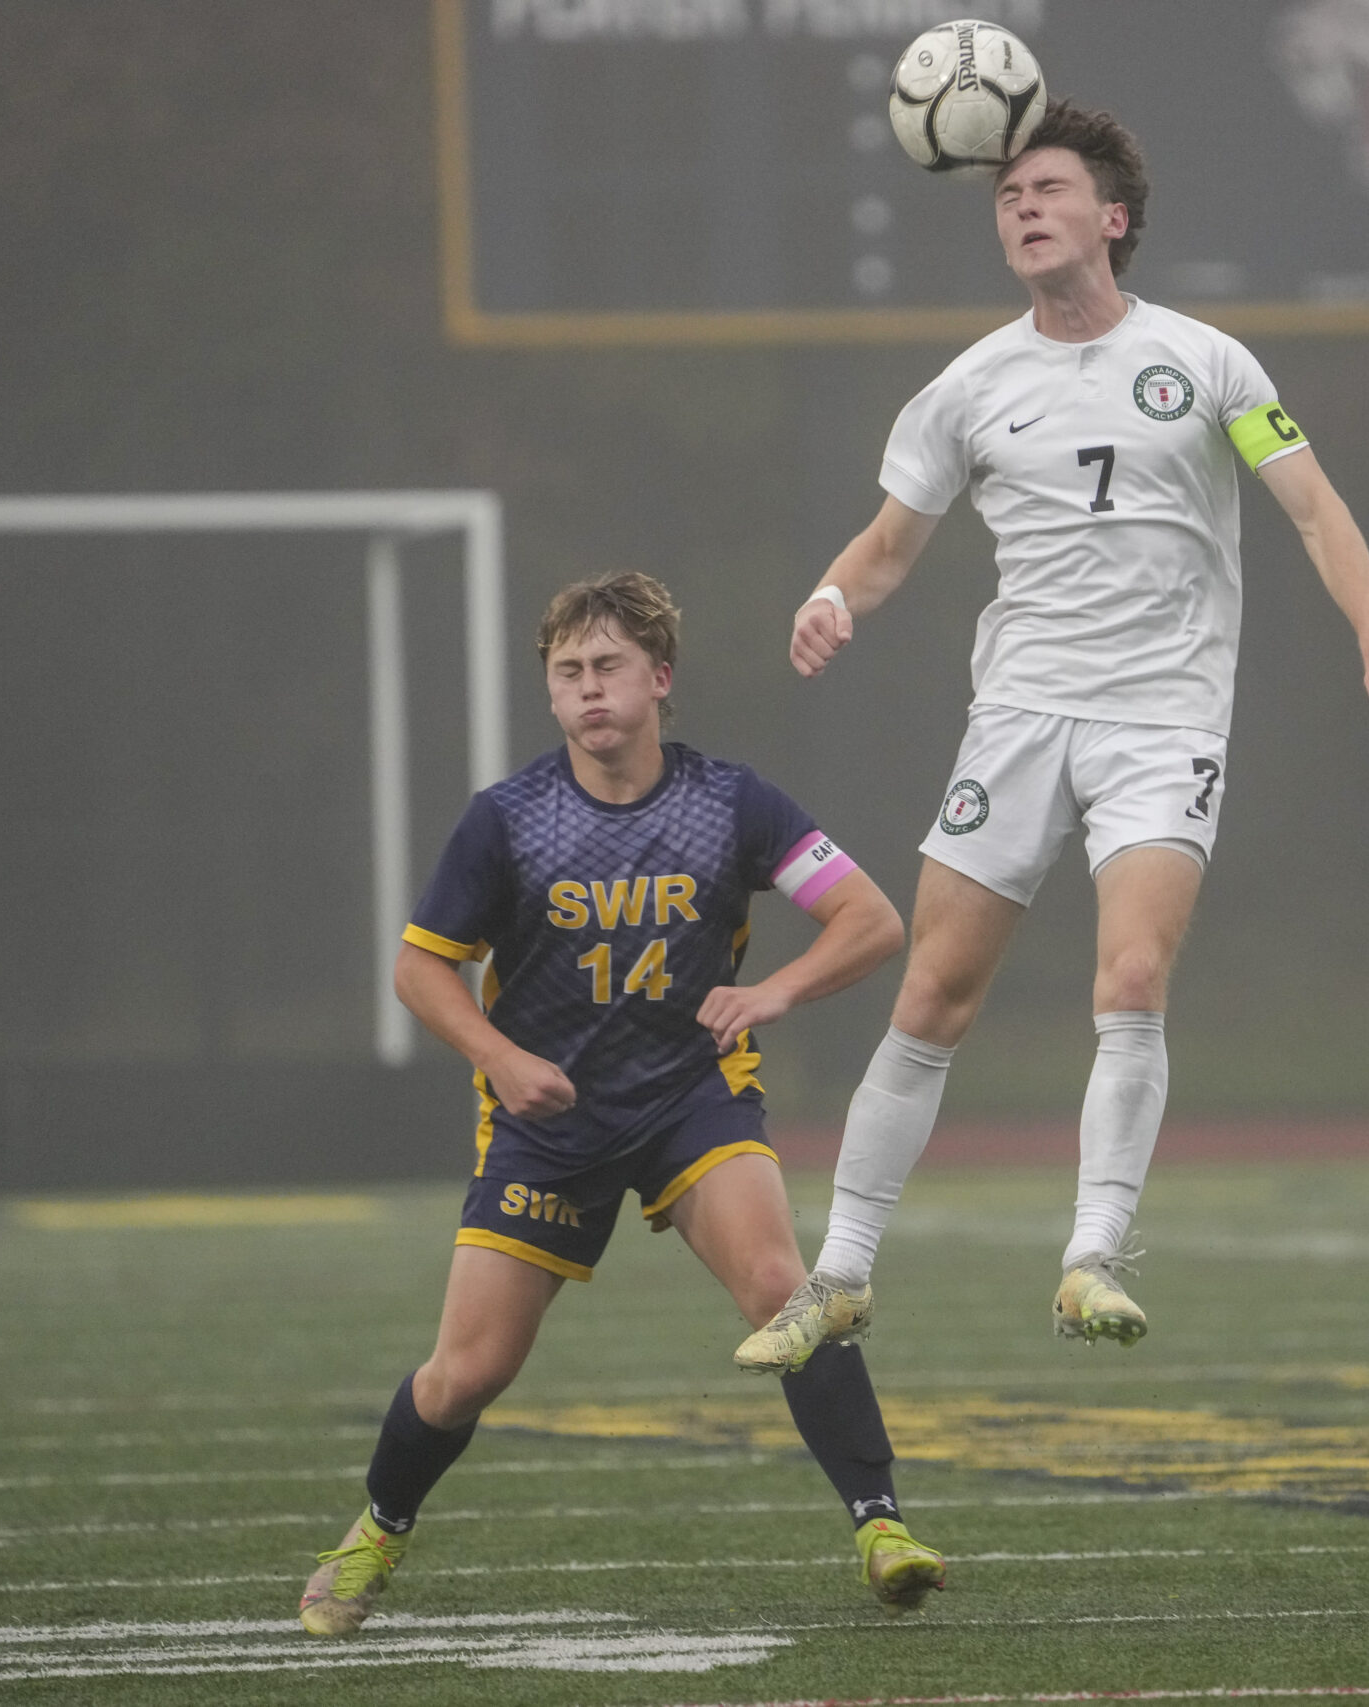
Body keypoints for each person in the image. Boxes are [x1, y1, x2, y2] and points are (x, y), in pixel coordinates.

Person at [734, 101, 1369, 1375]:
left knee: (1129, 981)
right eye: (1005, 193)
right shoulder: (967, 388)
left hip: (1161, 720)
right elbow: (890, 544)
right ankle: (839, 1274)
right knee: (931, 997)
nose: (1020, 207)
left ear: (1112, 218)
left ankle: (1090, 1260)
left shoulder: (1212, 365)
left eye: (1047, 188)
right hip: (1016, 719)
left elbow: (1311, 507)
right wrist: (830, 594)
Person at [299, 572, 945, 1636]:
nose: (589, 690)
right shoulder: (506, 821)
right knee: (466, 1374)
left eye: (607, 668)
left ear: (659, 678)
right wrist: (501, 1059)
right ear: (549, 697)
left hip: (692, 1096)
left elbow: (871, 921)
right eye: (568, 673)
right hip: (547, 1124)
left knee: (786, 1291)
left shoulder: (731, 801)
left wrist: (775, 990)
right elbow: (420, 971)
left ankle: (881, 1527)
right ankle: (376, 1530)